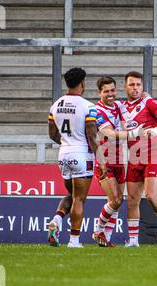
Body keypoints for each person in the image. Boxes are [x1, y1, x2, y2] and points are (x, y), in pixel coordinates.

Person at [47, 67, 106, 248]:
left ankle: (57, 220)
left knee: (72, 195)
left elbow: (52, 134)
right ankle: (74, 240)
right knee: (79, 198)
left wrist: (67, 141)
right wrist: (102, 162)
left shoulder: (55, 105)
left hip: (64, 154)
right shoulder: (88, 106)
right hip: (82, 155)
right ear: (82, 83)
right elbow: (92, 136)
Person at [119, 71, 157, 248]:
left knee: (151, 196)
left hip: (152, 154)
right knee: (132, 200)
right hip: (134, 157)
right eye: (131, 85)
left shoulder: (148, 102)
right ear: (125, 87)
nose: (135, 88)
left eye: (138, 85)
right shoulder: (120, 107)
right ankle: (133, 241)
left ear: (142, 86)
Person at [91, 76, 143, 247]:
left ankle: (105, 238)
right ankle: (98, 230)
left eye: (113, 90)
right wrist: (133, 134)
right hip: (104, 160)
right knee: (116, 200)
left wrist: (145, 96)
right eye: (106, 91)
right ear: (100, 93)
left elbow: (139, 100)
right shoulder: (97, 110)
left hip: (119, 160)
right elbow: (109, 133)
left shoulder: (119, 106)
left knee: (116, 201)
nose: (110, 94)